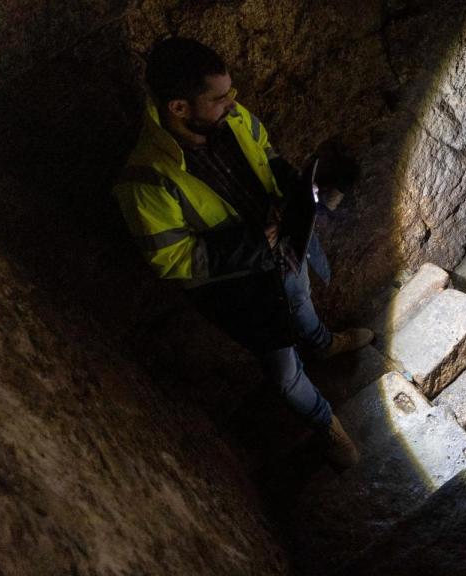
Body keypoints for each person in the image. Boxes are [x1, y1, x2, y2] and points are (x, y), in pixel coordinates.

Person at [113, 37, 371, 470]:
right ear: (179, 108)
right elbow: (173, 261)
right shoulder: (146, 181)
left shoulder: (231, 120)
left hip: (284, 255)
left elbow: (267, 158)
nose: (233, 104)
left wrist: (302, 191)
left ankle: (324, 345)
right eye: (218, 98)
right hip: (242, 293)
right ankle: (326, 424)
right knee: (285, 374)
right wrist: (257, 244)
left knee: (302, 299)